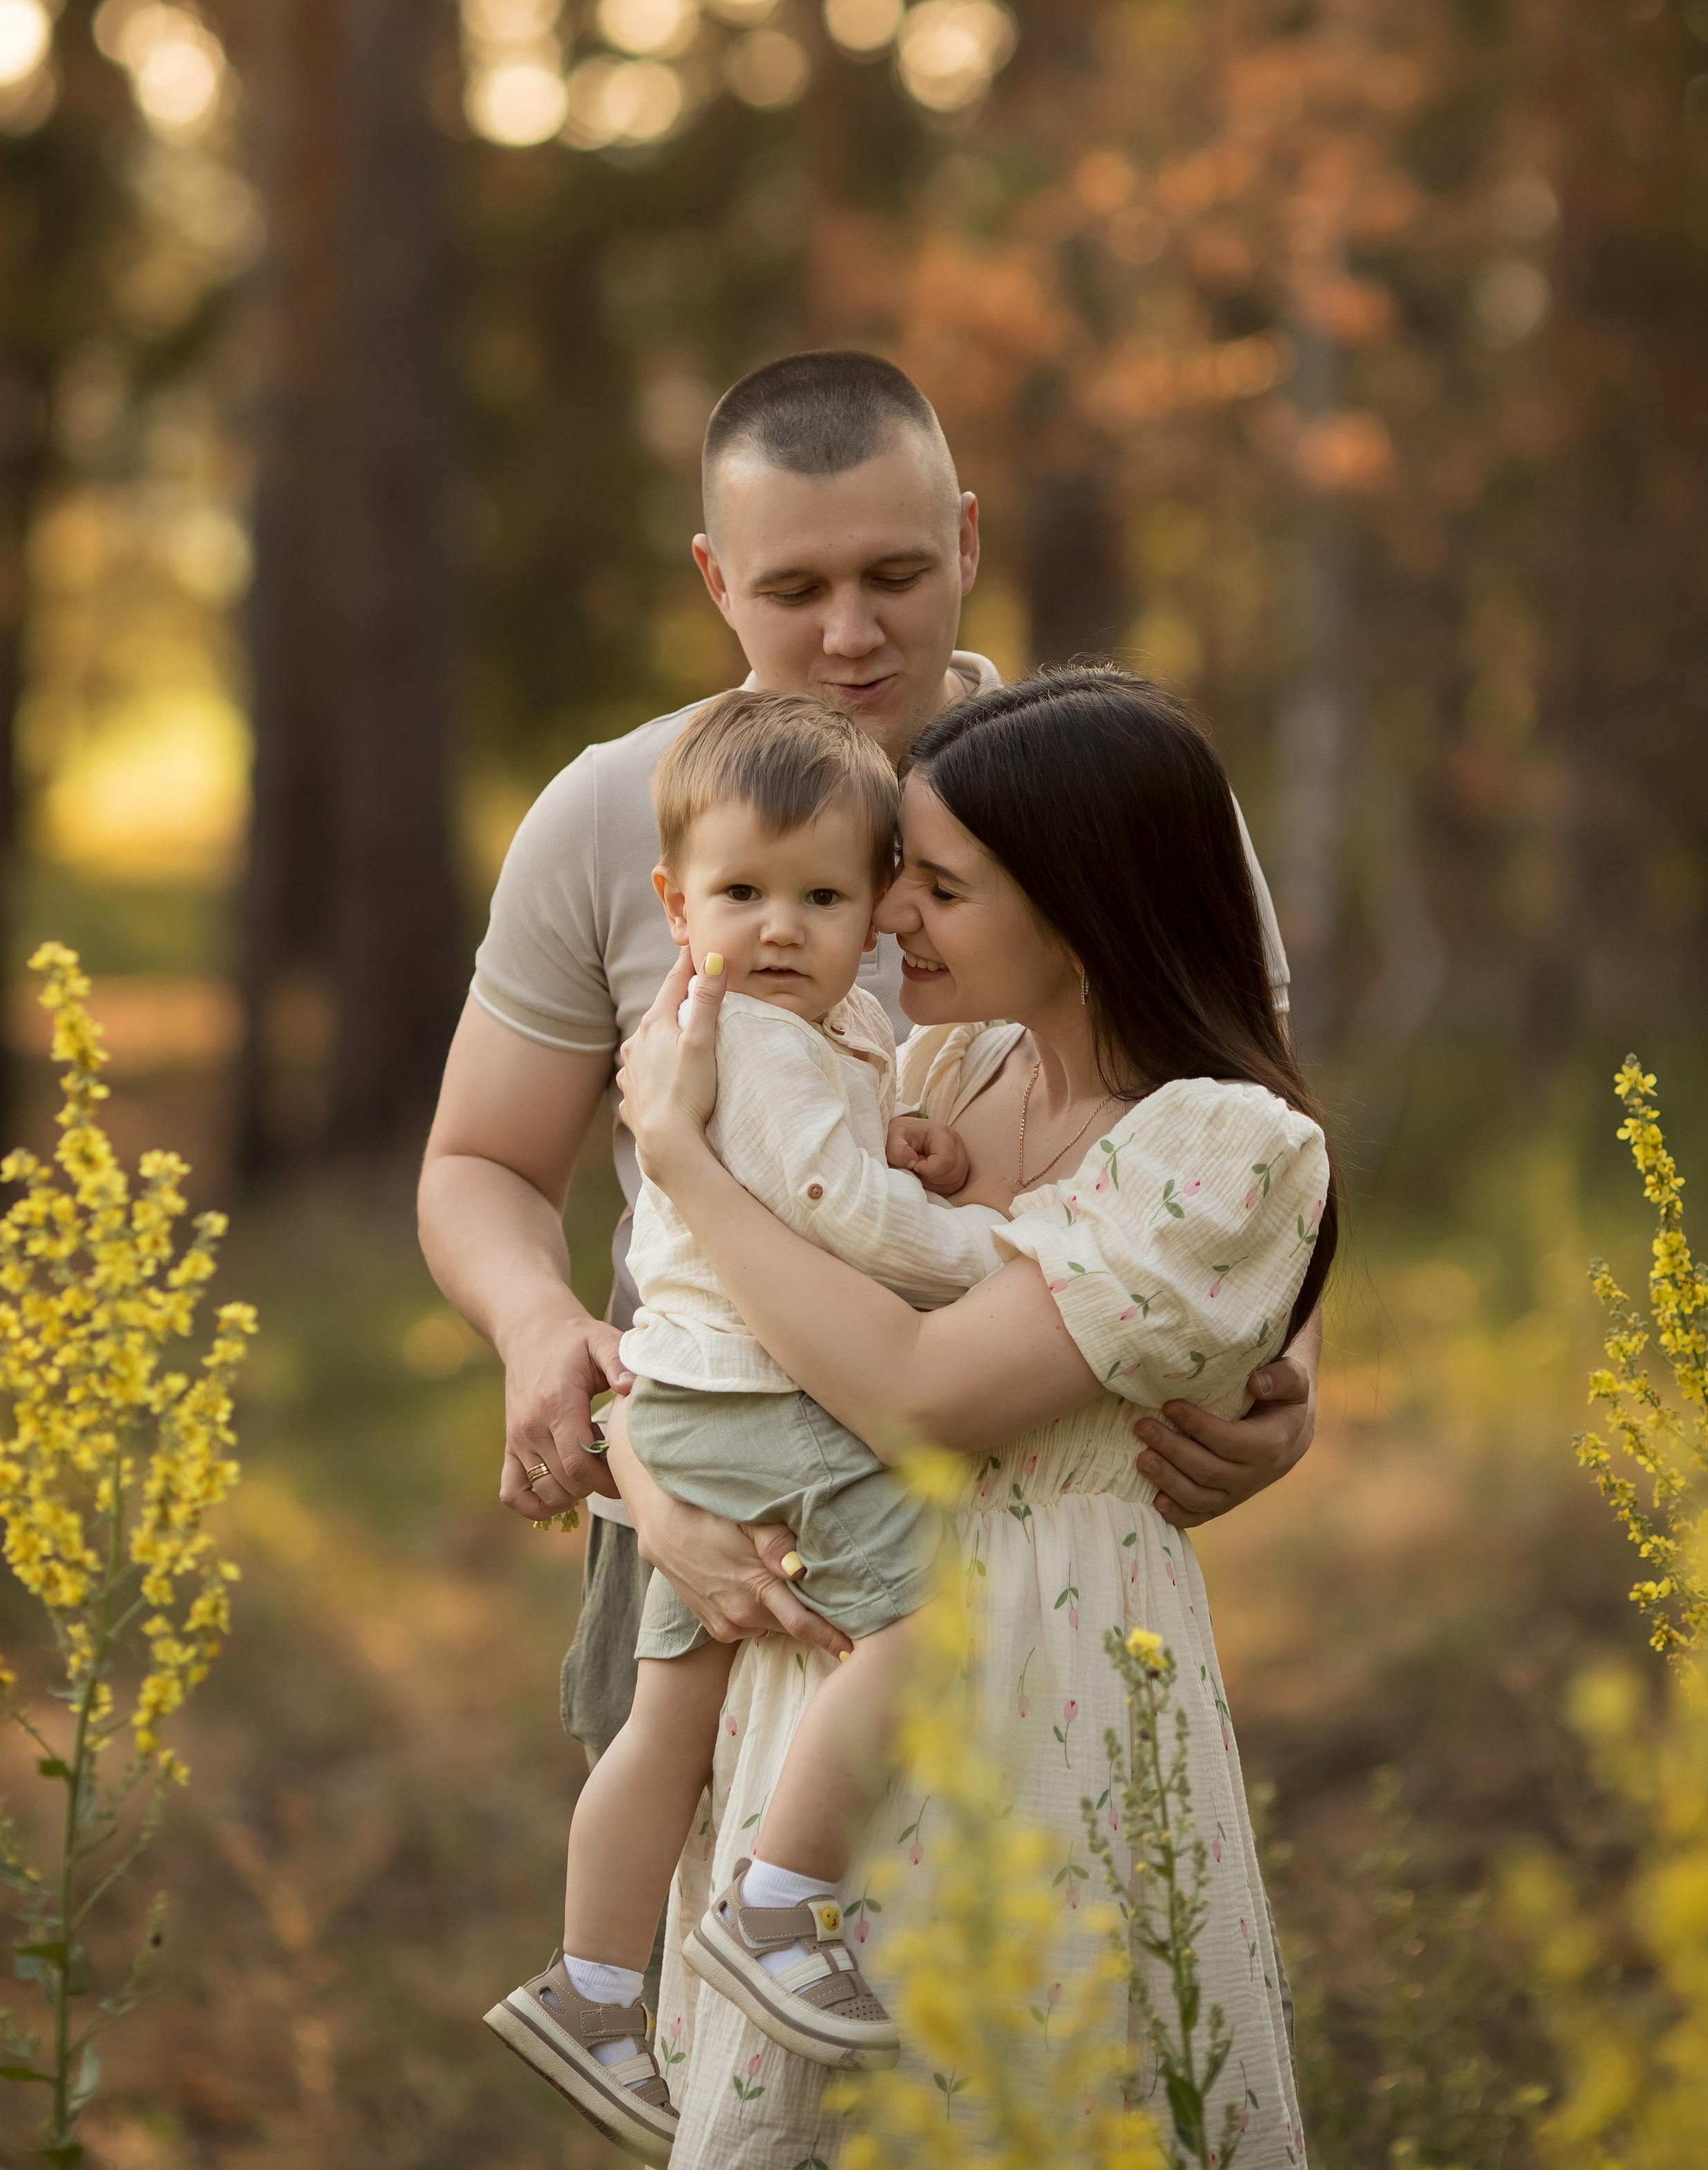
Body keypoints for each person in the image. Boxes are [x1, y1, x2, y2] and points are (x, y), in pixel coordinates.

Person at [418, 350, 1320, 1782]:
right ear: (714, 578)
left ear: (965, 537)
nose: (851, 634)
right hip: (710, 1519)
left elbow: (1234, 1113)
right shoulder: (612, 816)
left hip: (1032, 1543)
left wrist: (1278, 1361)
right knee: (706, 1965)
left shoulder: (1109, 798)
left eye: (895, 574)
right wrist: (541, 1337)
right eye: (792, 591)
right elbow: (480, 1165)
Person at [615, 669, 1336, 2168]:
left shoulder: (1219, 1142)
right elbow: (709, 1330)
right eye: (896, 881)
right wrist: (643, 1458)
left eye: (935, 888)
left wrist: (681, 1160)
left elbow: (920, 1399)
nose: (884, 923)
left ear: (1082, 903)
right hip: (835, 1676)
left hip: (1046, 1681)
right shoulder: (940, 1073)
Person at [484, 690, 1005, 2158]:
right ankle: (782, 1904)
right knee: (920, 1619)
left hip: (688, 1397)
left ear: (877, 908)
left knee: (667, 1725)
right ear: (673, 901)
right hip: (754, 1403)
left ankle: (591, 1988)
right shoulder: (762, 1039)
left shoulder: (780, 1028)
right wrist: (1005, 1247)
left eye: (822, 895)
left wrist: (894, 1136)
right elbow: (838, 1215)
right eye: (741, 895)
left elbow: (820, 1161)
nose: (781, 926)